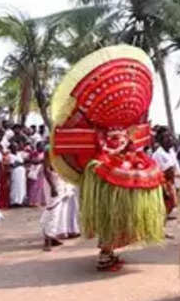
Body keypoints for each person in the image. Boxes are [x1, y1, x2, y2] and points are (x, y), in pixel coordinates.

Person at [50, 45, 165, 270]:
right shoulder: (100, 142)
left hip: (113, 175)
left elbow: (134, 143)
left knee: (118, 215)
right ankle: (105, 253)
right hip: (106, 177)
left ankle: (109, 250)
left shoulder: (123, 134)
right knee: (109, 216)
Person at [8, 141, 27, 207]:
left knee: (21, 186)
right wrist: (20, 163)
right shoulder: (10, 155)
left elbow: (23, 162)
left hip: (21, 173)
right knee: (15, 186)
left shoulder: (19, 154)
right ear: (11, 148)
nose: (15, 148)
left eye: (16, 146)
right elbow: (12, 164)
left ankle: (20, 201)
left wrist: (19, 163)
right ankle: (14, 201)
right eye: (13, 147)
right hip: (15, 172)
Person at [27, 142, 46, 207]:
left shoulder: (44, 153)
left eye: (43, 146)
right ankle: (32, 201)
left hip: (42, 170)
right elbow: (32, 161)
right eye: (41, 146)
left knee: (41, 186)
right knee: (34, 186)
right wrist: (40, 161)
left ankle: (40, 201)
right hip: (35, 171)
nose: (42, 147)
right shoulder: (34, 153)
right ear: (37, 147)